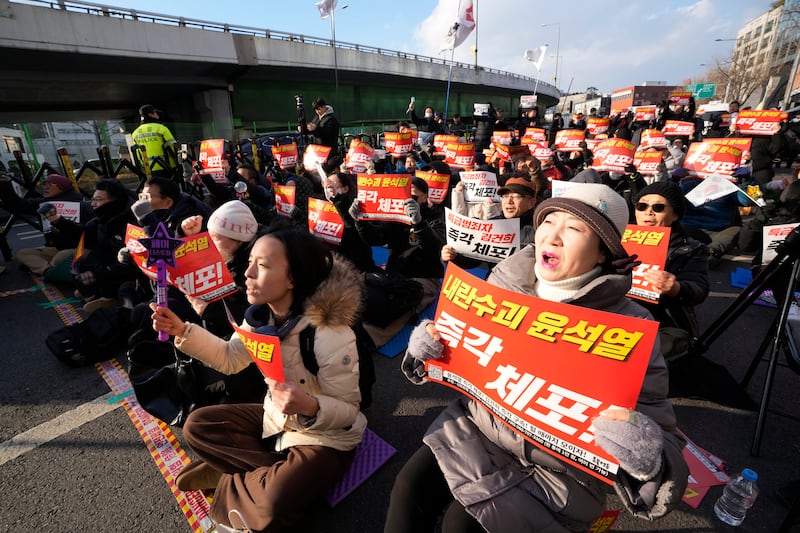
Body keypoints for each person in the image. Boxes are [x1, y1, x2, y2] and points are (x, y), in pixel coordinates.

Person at [386, 183, 688, 532]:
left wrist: (647, 456)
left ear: (604, 252)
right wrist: (427, 349)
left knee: (461, 524)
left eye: (574, 228)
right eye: (548, 221)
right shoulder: (503, 280)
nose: (553, 237)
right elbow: (459, 355)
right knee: (407, 490)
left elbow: (665, 437)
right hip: (481, 426)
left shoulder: (630, 325)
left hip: (558, 468)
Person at [150, 224, 367, 532]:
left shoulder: (330, 334)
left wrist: (308, 405)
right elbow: (230, 358)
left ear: (292, 278)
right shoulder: (261, 316)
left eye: (262, 266)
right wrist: (183, 330)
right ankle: (263, 474)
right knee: (198, 425)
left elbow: (349, 412)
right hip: (276, 421)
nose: (247, 273)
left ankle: (231, 475)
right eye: (250, 262)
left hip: (325, 438)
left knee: (273, 506)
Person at [633, 182, 710, 361]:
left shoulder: (692, 248)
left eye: (658, 207)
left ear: (675, 215)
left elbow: (699, 288)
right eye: (642, 206)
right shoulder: (618, 237)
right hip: (618, 312)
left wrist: (675, 288)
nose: (648, 212)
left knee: (670, 344)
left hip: (662, 319)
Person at [56, 179, 138, 312]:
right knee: (80, 264)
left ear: (114, 201)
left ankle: (109, 298)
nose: (93, 204)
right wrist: (57, 221)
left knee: (127, 289)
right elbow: (82, 234)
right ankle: (100, 294)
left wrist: (99, 273)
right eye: (92, 199)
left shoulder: (133, 224)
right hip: (108, 268)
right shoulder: (101, 221)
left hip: (126, 274)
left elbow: (134, 266)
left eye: (98, 200)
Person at [0, 172, 92, 277]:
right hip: (56, 248)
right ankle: (48, 270)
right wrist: (5, 186)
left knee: (61, 256)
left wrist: (60, 222)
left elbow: (88, 231)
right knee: (23, 253)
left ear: (62, 188)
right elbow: (18, 205)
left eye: (50, 185)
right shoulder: (43, 204)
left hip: (79, 249)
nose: (45, 188)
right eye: (44, 184)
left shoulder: (82, 206)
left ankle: (42, 267)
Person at [131, 104, 177, 177]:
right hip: (167, 166)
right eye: (155, 112)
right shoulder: (161, 128)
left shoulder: (135, 133)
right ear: (150, 114)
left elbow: (138, 154)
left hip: (149, 169)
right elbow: (173, 147)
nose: (157, 114)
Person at [305, 97, 342, 170]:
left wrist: (316, 128)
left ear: (324, 106)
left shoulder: (332, 120)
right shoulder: (317, 118)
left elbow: (328, 133)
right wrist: (304, 129)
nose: (317, 111)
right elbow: (312, 130)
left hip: (329, 151)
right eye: (316, 110)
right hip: (317, 151)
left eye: (319, 109)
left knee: (326, 169)